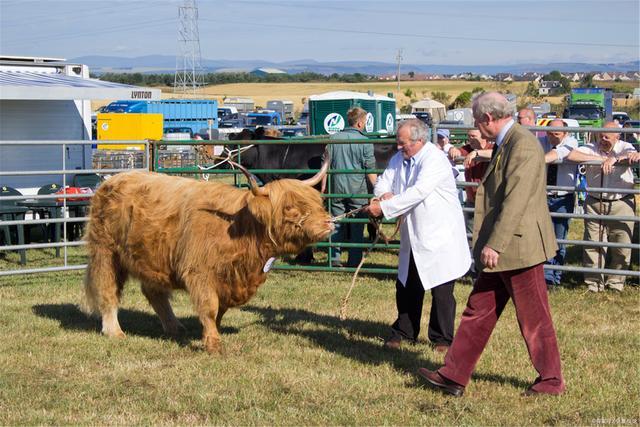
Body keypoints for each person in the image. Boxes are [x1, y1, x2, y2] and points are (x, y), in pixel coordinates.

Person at [417, 92, 565, 397]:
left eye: (475, 118)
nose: (474, 124)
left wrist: (494, 245)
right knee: (478, 310)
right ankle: (453, 375)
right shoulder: (508, 142)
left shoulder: (522, 144)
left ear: (487, 118)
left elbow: (516, 200)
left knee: (534, 318)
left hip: (517, 248)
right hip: (505, 248)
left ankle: (551, 381)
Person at [366, 119, 470, 353]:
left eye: (403, 143)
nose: (399, 147)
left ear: (419, 141)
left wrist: (384, 208)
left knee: (442, 289)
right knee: (407, 285)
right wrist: (384, 195)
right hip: (413, 234)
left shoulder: (434, 160)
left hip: (439, 235)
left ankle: (442, 338)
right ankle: (404, 331)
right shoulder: (398, 158)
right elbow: (383, 182)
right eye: (398, 143)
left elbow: (419, 192)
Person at [575, 122, 640, 292]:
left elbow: (633, 155)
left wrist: (616, 159)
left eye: (607, 137)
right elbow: (572, 155)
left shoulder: (625, 146)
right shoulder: (591, 147)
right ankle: (594, 284)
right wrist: (601, 159)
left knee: (621, 244)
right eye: (600, 136)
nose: (602, 140)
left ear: (617, 137)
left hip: (621, 202)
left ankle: (616, 283)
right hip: (595, 202)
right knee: (593, 243)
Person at [321, 107, 377, 268]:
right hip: (357, 190)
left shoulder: (333, 138)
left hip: (336, 188)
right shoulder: (365, 142)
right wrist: (378, 190)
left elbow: (324, 166)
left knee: (335, 223)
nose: (365, 125)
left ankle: (334, 260)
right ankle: (354, 261)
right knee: (357, 226)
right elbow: (370, 170)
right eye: (365, 122)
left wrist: (324, 189)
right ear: (359, 123)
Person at [539, 119, 578, 289]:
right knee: (543, 237)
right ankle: (546, 277)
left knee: (559, 238)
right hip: (543, 195)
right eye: (549, 133)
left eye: (556, 134)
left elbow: (559, 153)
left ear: (565, 133)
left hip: (563, 197)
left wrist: (538, 159)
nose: (552, 137)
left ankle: (556, 276)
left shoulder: (571, 142)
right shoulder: (540, 142)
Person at [448, 129, 495, 236]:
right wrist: (453, 149)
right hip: (472, 200)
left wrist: (476, 153)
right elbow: (458, 152)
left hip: (489, 201)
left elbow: (497, 153)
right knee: (470, 235)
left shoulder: (491, 147)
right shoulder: (468, 148)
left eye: (473, 136)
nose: (470, 139)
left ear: (483, 136)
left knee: (490, 235)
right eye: (469, 136)